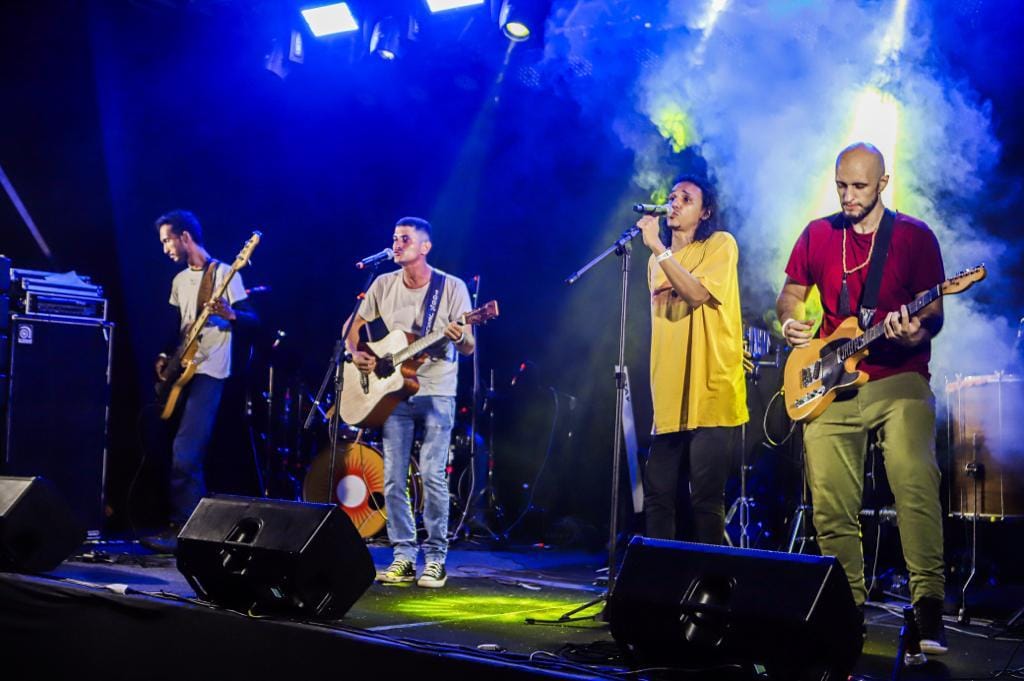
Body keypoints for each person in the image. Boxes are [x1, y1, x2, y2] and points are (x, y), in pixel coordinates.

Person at [776, 142, 948, 654]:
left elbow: (932, 314)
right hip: (833, 381)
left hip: (899, 377)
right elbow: (790, 292)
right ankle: (845, 612)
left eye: (859, 186)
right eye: (841, 186)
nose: (848, 196)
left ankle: (929, 607)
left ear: (883, 183)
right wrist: (790, 319)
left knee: (914, 480)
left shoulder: (914, 236)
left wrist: (914, 331)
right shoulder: (818, 234)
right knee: (830, 503)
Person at [345, 217, 474, 588]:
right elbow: (351, 327)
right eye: (394, 238)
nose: (397, 244)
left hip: (437, 391)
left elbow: (469, 346)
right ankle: (403, 556)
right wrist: (357, 353)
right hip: (393, 391)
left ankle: (435, 559)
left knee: (432, 475)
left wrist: (458, 336)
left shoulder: (451, 287)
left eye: (404, 239)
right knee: (393, 477)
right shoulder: (383, 284)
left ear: (425, 247)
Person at [635, 174, 748, 545]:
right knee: (658, 495)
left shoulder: (720, 245)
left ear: (705, 212)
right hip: (670, 395)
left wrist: (657, 247)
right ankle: (659, 578)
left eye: (686, 198)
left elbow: (697, 295)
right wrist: (660, 252)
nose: (675, 203)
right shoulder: (655, 264)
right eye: (672, 197)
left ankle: (712, 579)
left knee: (705, 500)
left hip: (711, 391)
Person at [144, 210, 258, 552]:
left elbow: (255, 321)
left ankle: (187, 530)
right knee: (176, 450)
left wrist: (231, 314)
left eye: (167, 240)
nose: (165, 248)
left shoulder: (224, 273)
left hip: (210, 371)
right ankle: (192, 528)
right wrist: (164, 355)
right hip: (182, 370)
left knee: (187, 452)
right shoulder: (179, 281)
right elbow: (178, 326)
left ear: (185, 237)